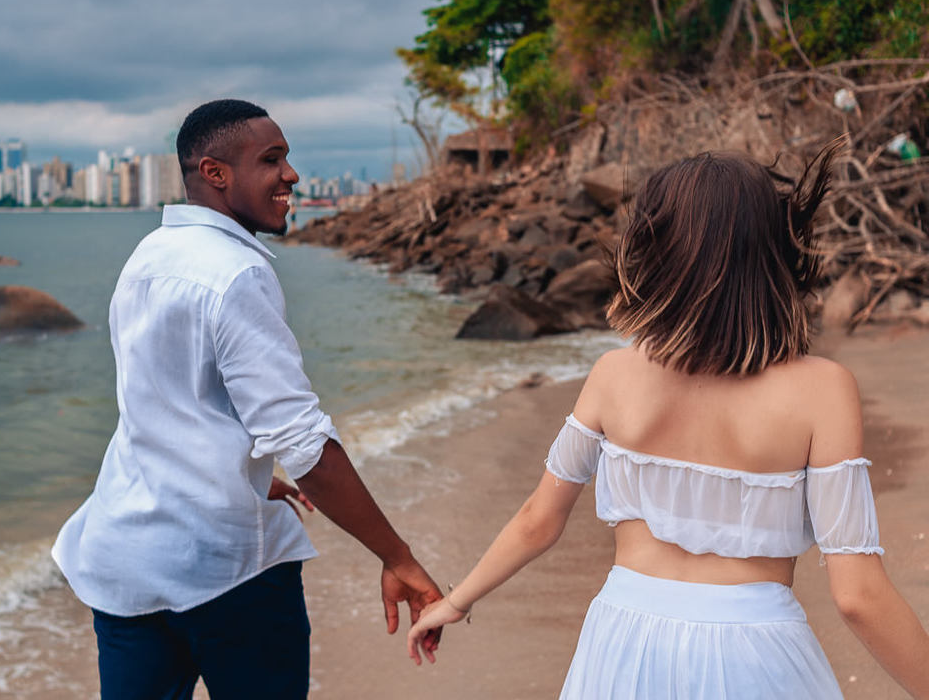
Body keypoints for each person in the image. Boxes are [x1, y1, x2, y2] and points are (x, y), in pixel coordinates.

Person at [406, 148, 929, 698]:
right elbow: (856, 595)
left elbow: (540, 519)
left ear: (659, 252)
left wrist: (456, 601)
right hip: (759, 649)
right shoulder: (823, 389)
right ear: (774, 250)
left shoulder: (614, 375)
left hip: (623, 641)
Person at [52, 98, 441, 700]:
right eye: (272, 159)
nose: (291, 176)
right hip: (223, 567)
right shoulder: (237, 273)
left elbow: (168, 404)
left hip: (126, 558)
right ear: (215, 173)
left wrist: (248, 471)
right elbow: (304, 444)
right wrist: (399, 557)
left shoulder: (146, 258)